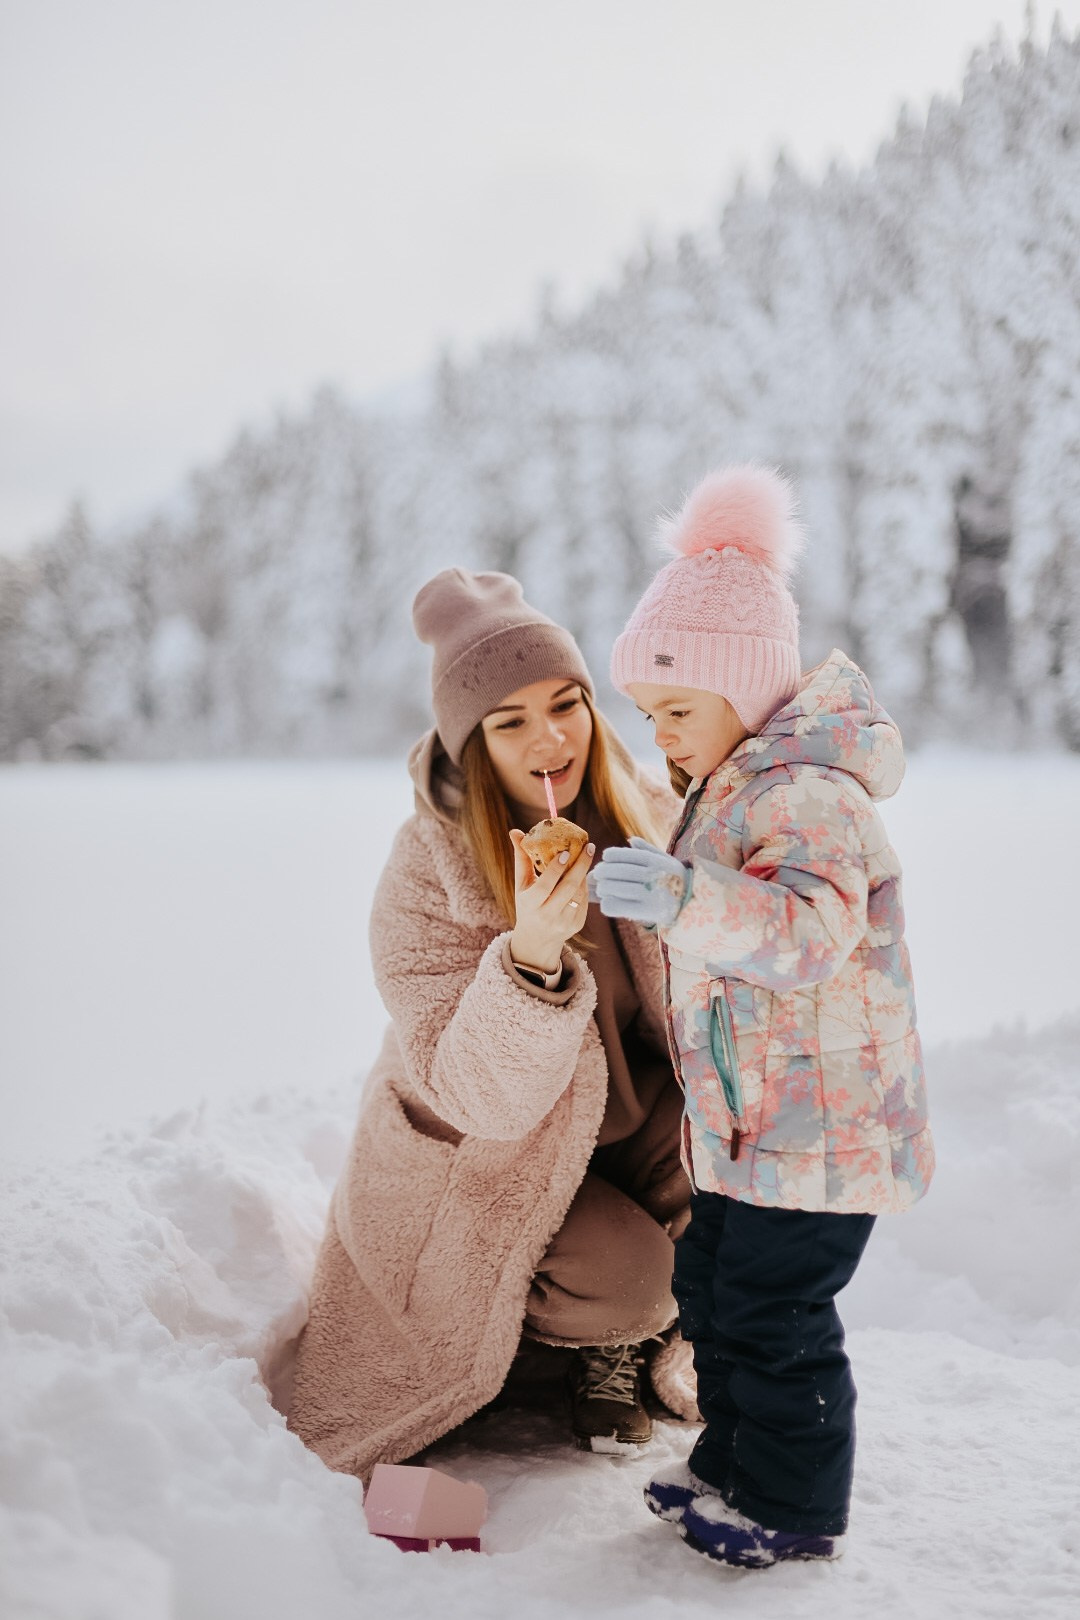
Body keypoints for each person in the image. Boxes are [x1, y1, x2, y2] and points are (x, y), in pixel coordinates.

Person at [590, 466, 934, 1568]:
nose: (665, 738)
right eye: (651, 717)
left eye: (678, 712)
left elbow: (805, 934)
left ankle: (790, 1504)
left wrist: (684, 898)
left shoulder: (805, 792)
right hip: (751, 1132)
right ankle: (729, 1463)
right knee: (715, 1294)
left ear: (744, 688)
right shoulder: (733, 783)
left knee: (777, 1319)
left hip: (820, 1133)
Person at [287, 568, 695, 1480]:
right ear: (471, 744)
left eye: (566, 704)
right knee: (635, 1279)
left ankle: (618, 1330)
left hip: (632, 1129)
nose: (550, 738)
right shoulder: (425, 876)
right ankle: (583, 1333)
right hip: (487, 1160)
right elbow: (483, 1103)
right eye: (510, 723)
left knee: (739, 1172)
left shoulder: (652, 819)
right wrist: (531, 957)